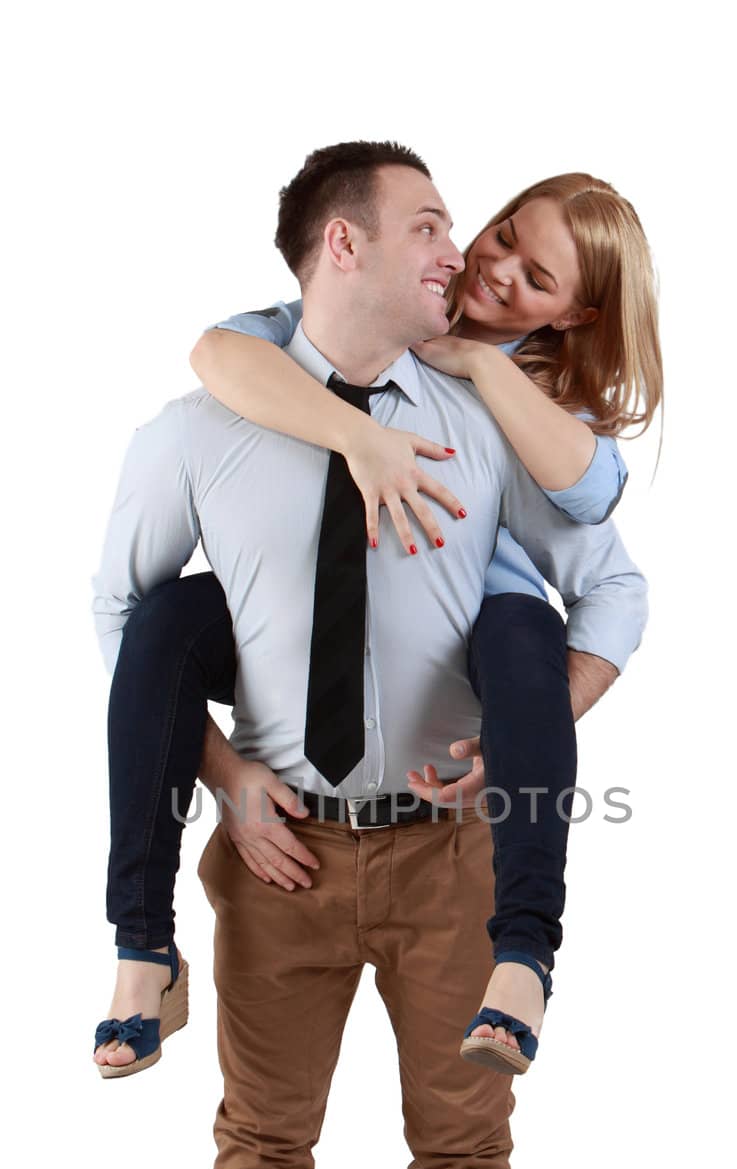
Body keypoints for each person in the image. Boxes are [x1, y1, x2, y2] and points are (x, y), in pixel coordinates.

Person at [91, 140, 649, 1169]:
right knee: (261, 1141)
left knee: (463, 1145)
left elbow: (611, 580)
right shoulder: (204, 423)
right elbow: (126, 622)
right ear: (342, 247)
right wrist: (223, 776)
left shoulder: (478, 417)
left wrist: (530, 736)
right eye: (432, 224)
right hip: (281, 856)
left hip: (443, 854)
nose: (456, 253)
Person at [92, 166, 658, 1080]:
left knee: (519, 629)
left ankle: (526, 957)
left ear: (572, 318)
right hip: (295, 644)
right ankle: (141, 946)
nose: (490, 266)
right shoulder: (285, 357)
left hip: (463, 668)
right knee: (168, 617)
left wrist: (538, 722)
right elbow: (216, 352)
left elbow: (597, 512)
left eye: (537, 279)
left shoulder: (512, 415)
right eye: (503, 234)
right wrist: (358, 435)